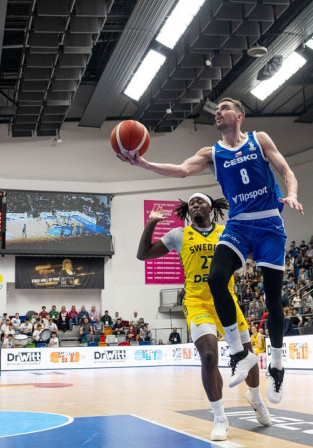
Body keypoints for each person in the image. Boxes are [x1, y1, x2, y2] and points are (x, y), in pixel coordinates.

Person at [119, 97, 303, 405]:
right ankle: (239, 354)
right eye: (216, 110)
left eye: (225, 107)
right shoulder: (212, 153)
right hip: (239, 225)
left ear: (239, 115)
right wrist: (144, 164)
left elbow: (286, 170)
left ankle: (278, 365)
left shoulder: (260, 139)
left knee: (273, 296)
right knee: (216, 278)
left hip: (269, 221)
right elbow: (180, 170)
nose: (218, 112)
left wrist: (292, 194)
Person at [137, 194, 272, 441]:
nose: (195, 205)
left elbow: (255, 253)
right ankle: (220, 417)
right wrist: (152, 223)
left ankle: (255, 398)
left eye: (199, 202)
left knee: (248, 356)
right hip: (197, 302)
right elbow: (143, 254)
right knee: (209, 355)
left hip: (226, 300)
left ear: (211, 207)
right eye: (191, 204)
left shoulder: (227, 232)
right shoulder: (179, 235)